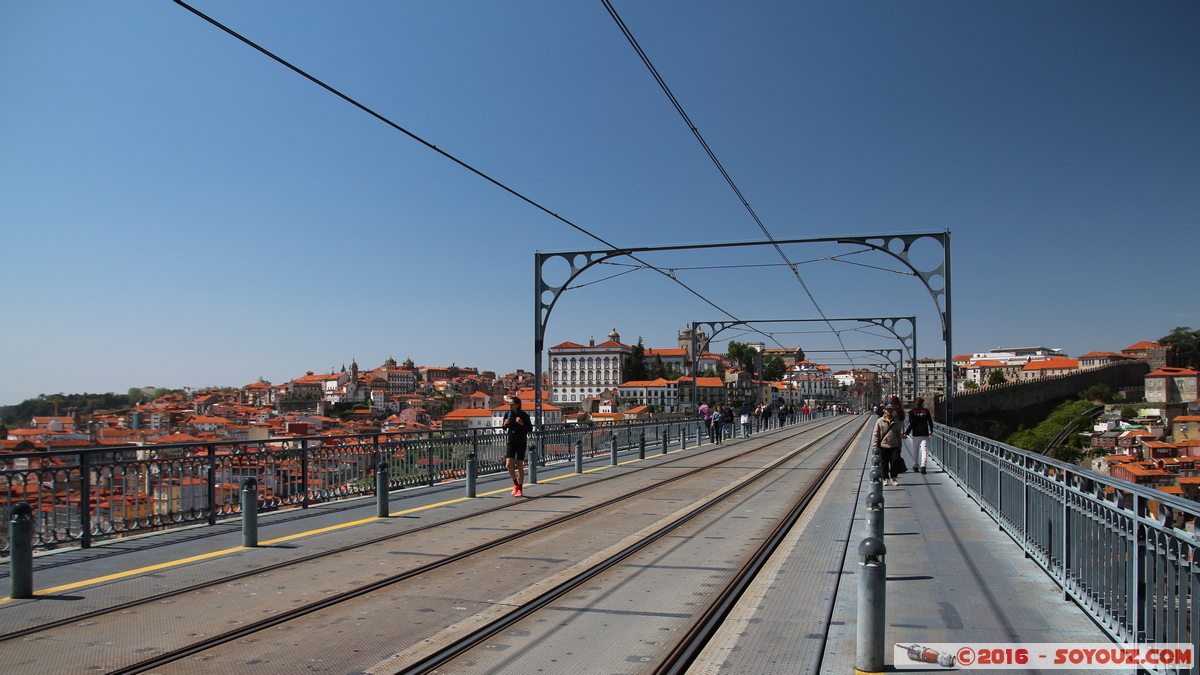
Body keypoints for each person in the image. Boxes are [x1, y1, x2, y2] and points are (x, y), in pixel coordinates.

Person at [502, 395, 531, 497]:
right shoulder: (508, 414)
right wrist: (505, 424)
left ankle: (520, 488)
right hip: (511, 441)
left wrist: (522, 423)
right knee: (508, 464)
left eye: (511, 404)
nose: (509, 405)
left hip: (521, 441)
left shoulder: (523, 415)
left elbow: (530, 429)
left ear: (517, 405)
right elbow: (504, 428)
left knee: (519, 465)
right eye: (508, 404)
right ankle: (515, 484)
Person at [872, 404, 904, 486]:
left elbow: (899, 435)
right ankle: (885, 478)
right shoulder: (880, 421)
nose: (889, 411)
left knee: (894, 462)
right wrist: (875, 446)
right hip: (883, 446)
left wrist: (900, 446)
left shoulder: (896, 422)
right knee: (884, 463)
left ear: (893, 411)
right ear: (885, 411)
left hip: (894, 445)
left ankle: (893, 477)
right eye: (888, 410)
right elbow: (876, 434)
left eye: (891, 410)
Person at [905, 397, 934, 474]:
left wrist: (906, 433)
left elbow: (910, 424)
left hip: (916, 433)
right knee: (924, 450)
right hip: (924, 433)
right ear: (922, 403)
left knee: (916, 450)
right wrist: (931, 430)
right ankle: (923, 466)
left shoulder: (912, 412)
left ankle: (915, 465)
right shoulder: (926, 411)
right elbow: (930, 422)